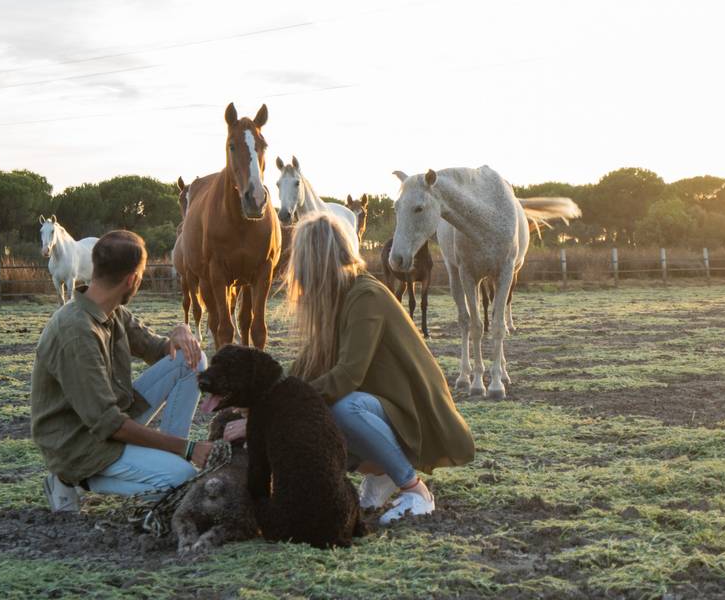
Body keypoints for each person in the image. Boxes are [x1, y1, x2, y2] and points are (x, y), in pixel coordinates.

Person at [227, 212, 475, 524]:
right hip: (385, 407)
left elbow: (347, 376)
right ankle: (383, 471)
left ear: (315, 261)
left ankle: (416, 491)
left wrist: (273, 410)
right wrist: (258, 406)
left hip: (412, 412)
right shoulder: (338, 298)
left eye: (300, 261)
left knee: (342, 408)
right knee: (321, 406)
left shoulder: (365, 295)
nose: (295, 272)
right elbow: (307, 367)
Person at [31, 230, 212, 512]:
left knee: (192, 359)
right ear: (133, 280)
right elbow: (108, 424)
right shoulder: (77, 332)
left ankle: (170, 462)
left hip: (108, 418)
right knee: (183, 478)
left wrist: (181, 331)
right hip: (78, 444)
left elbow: (156, 348)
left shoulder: (111, 309)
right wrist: (187, 448)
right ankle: (70, 480)